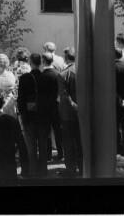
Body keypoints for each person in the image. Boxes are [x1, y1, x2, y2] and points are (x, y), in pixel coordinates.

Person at [17, 52, 58, 177]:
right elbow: (52, 98)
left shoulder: (24, 78)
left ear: (30, 62)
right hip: (44, 116)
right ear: (40, 62)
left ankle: (33, 170)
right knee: (43, 145)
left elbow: (21, 99)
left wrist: (22, 115)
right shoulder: (47, 77)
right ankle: (43, 170)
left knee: (31, 146)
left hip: (29, 116)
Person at [56, 47, 81, 176]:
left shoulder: (63, 74)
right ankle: (83, 166)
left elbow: (65, 97)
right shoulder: (84, 70)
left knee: (69, 142)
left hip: (68, 114)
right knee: (81, 140)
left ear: (66, 58)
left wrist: (75, 107)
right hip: (83, 113)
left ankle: (71, 168)